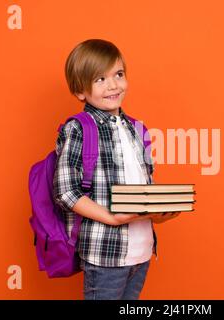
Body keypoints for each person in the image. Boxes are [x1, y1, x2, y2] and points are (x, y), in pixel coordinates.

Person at [53, 39, 180, 300]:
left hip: (142, 252)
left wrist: (159, 211)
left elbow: (145, 187)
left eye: (118, 75)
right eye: (100, 79)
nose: (113, 85)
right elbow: (65, 192)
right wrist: (111, 217)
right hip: (105, 254)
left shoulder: (137, 128)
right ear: (80, 90)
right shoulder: (78, 128)